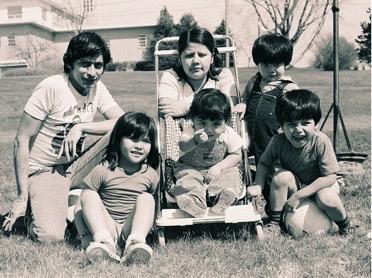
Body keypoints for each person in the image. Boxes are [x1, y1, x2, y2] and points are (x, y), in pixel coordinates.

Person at [2, 31, 125, 243]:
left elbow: (124, 122)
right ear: (70, 63)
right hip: (45, 169)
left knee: (127, 134)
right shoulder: (52, 87)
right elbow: (21, 140)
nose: (92, 72)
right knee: (50, 236)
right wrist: (22, 197)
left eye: (98, 65)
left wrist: (81, 127)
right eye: (85, 64)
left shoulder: (98, 88)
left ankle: (111, 197)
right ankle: (34, 212)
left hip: (76, 164)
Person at [248, 89, 354, 235]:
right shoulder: (278, 141)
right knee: (281, 177)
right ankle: (275, 224)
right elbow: (265, 163)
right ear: (281, 125)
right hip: (296, 184)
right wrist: (258, 185)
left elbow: (330, 177)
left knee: (326, 197)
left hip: (321, 186)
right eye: (291, 124)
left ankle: (346, 225)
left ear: (315, 123)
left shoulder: (321, 141)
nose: (298, 130)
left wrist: (299, 196)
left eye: (305, 123)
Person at [74, 112, 159, 265]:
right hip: (106, 228)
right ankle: (105, 244)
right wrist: (86, 238)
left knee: (147, 198)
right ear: (118, 139)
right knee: (88, 195)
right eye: (133, 139)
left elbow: (153, 209)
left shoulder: (151, 174)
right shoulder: (103, 169)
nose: (139, 146)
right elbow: (81, 206)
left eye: (145, 141)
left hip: (131, 229)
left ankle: (135, 244)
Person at [233, 33, 299, 204]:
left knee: (270, 170)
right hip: (249, 136)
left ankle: (276, 206)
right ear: (258, 64)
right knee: (244, 167)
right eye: (265, 64)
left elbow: (295, 114)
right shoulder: (255, 81)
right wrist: (243, 104)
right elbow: (246, 99)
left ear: (286, 63)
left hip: (272, 139)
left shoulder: (288, 88)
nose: (271, 70)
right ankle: (245, 200)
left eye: (276, 64)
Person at [171, 89, 244, 217]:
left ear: (225, 122)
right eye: (202, 123)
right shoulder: (190, 131)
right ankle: (194, 202)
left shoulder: (228, 133)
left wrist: (219, 167)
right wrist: (194, 141)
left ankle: (221, 198)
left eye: (216, 124)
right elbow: (183, 146)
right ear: (192, 119)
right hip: (191, 168)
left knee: (231, 173)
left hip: (217, 170)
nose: (209, 129)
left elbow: (237, 155)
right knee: (187, 178)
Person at [158, 27, 236, 118]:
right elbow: (165, 107)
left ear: (212, 58)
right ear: (180, 58)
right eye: (189, 55)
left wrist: (187, 108)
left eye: (202, 55)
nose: (196, 61)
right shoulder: (172, 76)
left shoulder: (223, 75)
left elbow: (229, 106)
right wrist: (213, 107)